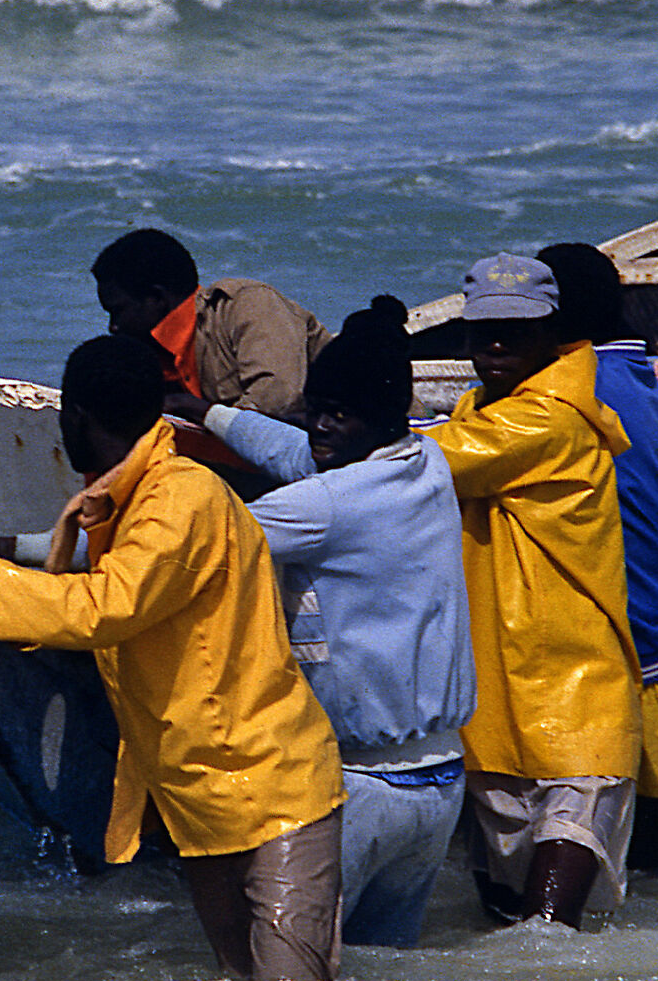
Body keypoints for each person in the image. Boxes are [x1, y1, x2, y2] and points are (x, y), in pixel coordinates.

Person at [0, 335, 348, 981]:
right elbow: (88, 584)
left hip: (276, 792)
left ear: (78, 419)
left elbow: (104, 608)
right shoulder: (132, 498)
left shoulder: (182, 499)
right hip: (203, 798)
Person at [191, 296, 476, 947]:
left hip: (359, 789)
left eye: (334, 417)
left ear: (373, 420)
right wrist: (209, 413)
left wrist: (17, 551)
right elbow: (300, 452)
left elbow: (186, 544)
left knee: (282, 979)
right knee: (385, 976)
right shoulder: (428, 463)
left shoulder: (324, 505)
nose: (317, 427)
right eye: (312, 411)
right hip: (440, 786)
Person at [423, 253, 642, 930]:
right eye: (481, 331)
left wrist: (229, 422)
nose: (494, 346)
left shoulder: (549, 421)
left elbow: (412, 465)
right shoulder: (480, 412)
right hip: (497, 717)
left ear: (552, 333)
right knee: (508, 935)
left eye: (513, 332)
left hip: (580, 713)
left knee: (545, 940)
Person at [539, 242, 658, 877]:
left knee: (552, 856)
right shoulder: (638, 381)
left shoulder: (572, 392)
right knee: (650, 867)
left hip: (603, 663)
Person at [91, 227, 330, 422]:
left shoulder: (246, 304)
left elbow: (277, 402)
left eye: (117, 311)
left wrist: (192, 408)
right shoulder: (148, 350)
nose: (113, 326)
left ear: (156, 299)